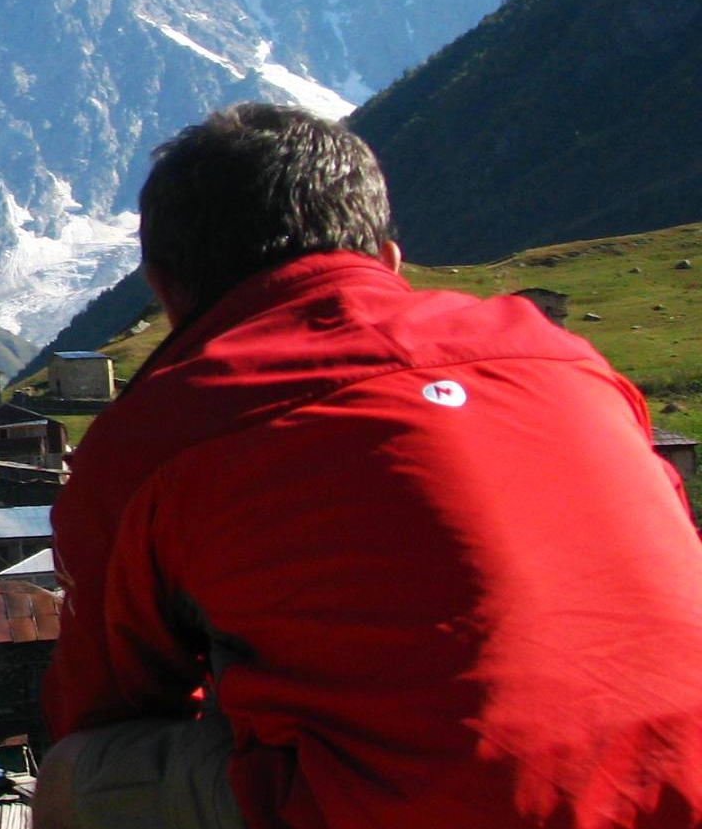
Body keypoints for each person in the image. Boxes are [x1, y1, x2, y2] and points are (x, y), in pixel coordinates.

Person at [35, 104, 702, 828]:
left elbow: (103, 705)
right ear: (389, 259)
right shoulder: (566, 359)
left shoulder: (158, 434)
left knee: (74, 779)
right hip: (680, 783)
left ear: (165, 291)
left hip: (421, 809)